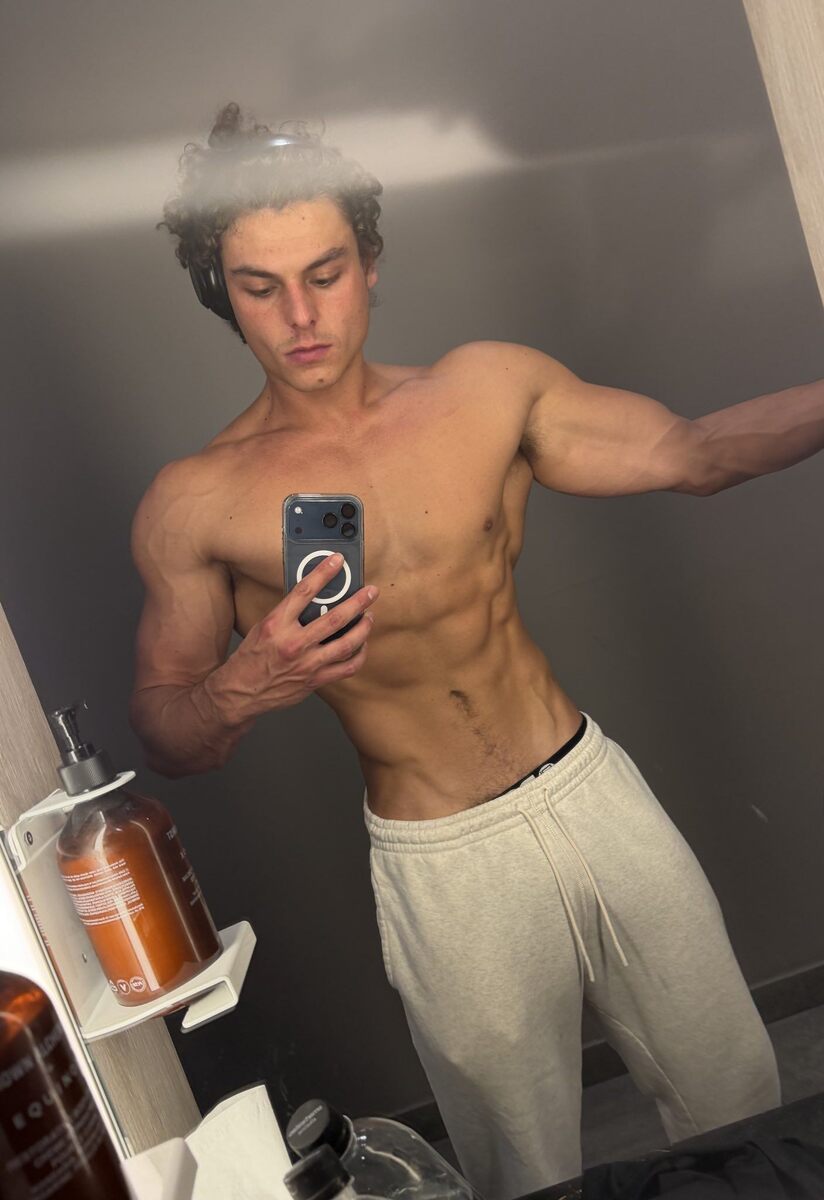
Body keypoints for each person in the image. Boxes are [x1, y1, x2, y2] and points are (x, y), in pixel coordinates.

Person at [130, 103, 820, 1199]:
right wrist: (240, 685)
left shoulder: (486, 388)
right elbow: (168, 730)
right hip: (445, 859)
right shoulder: (196, 501)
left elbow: (695, 454)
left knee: (737, 1096)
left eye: (325, 273)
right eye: (261, 287)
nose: (301, 316)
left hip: (590, 791)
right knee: (520, 1170)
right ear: (222, 289)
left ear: (370, 263)